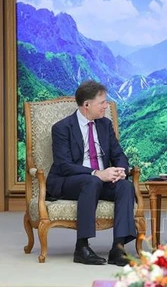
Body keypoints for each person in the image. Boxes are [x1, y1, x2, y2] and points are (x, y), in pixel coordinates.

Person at [46, 80, 136, 266]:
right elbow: (64, 166)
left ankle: (118, 248)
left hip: (98, 180)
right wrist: (96, 173)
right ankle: (82, 247)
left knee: (125, 186)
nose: (106, 106)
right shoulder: (62, 128)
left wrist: (121, 171)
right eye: (102, 102)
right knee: (92, 181)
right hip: (68, 181)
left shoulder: (104, 124)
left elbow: (118, 154)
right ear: (87, 105)